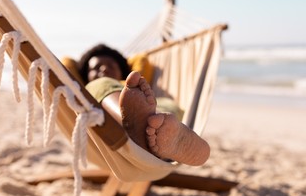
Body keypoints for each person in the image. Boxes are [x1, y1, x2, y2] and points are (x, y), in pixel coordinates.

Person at [76, 44, 210, 166]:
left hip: (157, 109)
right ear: (85, 75)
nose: (104, 68)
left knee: (168, 109)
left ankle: (163, 135)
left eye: (111, 66)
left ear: (122, 71)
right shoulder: (88, 88)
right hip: (123, 107)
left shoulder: (138, 90)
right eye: (95, 68)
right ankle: (144, 130)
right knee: (101, 84)